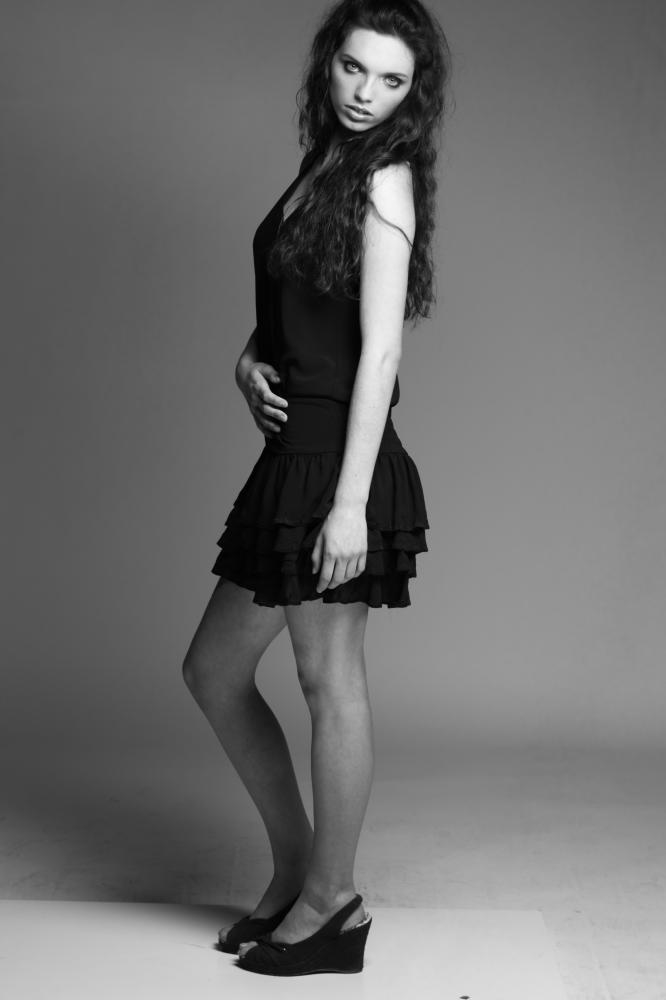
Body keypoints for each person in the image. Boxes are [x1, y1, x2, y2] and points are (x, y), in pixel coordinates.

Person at [182, 0, 452, 977]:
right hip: (293, 452)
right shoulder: (327, 165)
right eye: (353, 67)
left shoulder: (384, 177)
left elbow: (378, 349)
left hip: (341, 459)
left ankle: (334, 902)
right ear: (326, 62)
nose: (365, 93)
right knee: (214, 670)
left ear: (414, 95)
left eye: (391, 80)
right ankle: (301, 869)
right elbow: (308, 303)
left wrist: (348, 503)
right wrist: (250, 358)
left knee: (327, 679)